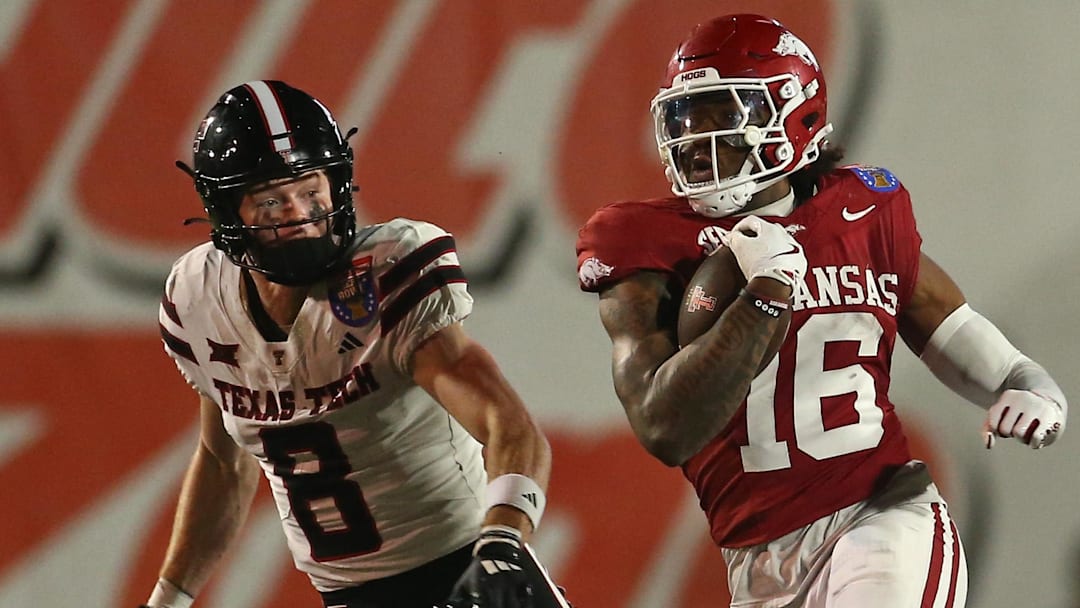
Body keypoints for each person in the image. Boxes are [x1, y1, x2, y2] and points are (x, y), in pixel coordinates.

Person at [575, 14, 1068, 608]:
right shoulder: (642, 241)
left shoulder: (862, 212)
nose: (696, 140)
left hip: (881, 516)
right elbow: (665, 428)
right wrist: (765, 296)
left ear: (796, 115)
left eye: (723, 117)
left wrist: (1031, 386)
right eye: (685, 117)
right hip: (754, 557)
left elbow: (957, 329)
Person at [145, 80, 570, 608]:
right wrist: (168, 599)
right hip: (347, 595)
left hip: (467, 569)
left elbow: (508, 426)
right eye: (272, 200)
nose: (298, 215)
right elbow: (222, 461)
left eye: (310, 190)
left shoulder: (387, 272)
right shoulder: (199, 298)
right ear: (227, 211)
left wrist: (504, 542)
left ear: (338, 186)